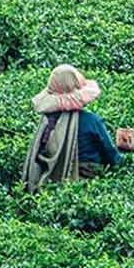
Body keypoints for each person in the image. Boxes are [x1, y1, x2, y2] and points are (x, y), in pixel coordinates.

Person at [21, 65, 122, 193]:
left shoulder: (46, 121)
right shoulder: (91, 121)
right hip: (86, 177)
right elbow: (110, 154)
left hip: (49, 174)